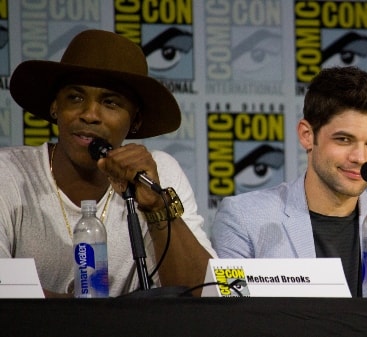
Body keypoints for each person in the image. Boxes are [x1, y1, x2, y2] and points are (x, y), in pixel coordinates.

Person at [211, 66, 367, 297]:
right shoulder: (244, 217)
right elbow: (232, 318)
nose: (360, 158)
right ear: (307, 135)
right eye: (343, 140)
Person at [2, 29, 216, 297]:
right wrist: (101, 317)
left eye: (110, 102)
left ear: (135, 120)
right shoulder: (8, 173)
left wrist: (156, 207)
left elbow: (205, 294)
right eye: (75, 98)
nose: (90, 114)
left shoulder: (159, 173)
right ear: (55, 107)